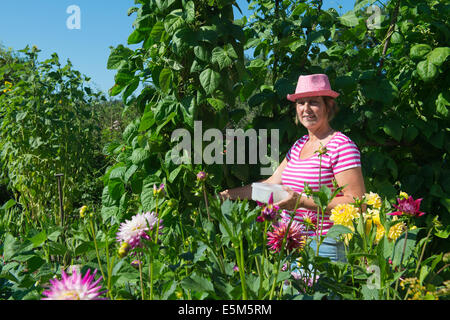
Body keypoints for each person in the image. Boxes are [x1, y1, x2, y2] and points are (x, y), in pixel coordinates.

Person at [219, 73, 366, 262]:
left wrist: (301, 202)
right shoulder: (299, 145)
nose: (306, 109)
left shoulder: (341, 146)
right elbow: (271, 184)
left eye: (313, 102)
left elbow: (357, 203)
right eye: (300, 103)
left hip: (323, 246)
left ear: (328, 106)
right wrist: (227, 195)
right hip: (290, 242)